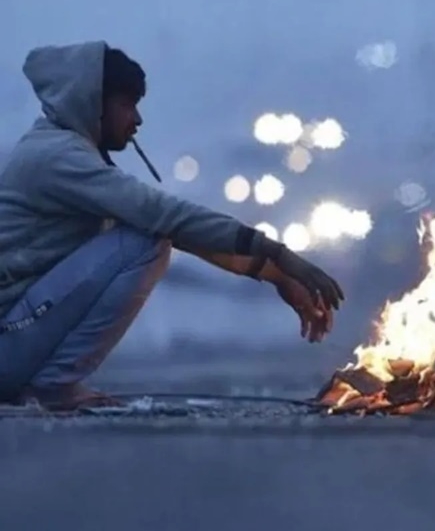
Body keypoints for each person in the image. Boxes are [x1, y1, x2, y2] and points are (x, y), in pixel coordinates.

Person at [0, 40, 344, 411]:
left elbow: (184, 233)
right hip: (9, 343)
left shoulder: (65, 151)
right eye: (127, 104)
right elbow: (167, 218)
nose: (137, 120)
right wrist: (279, 253)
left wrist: (275, 273)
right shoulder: (59, 157)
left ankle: (49, 383)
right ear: (92, 102)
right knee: (144, 243)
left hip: (15, 340)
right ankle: (52, 385)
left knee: (149, 235)